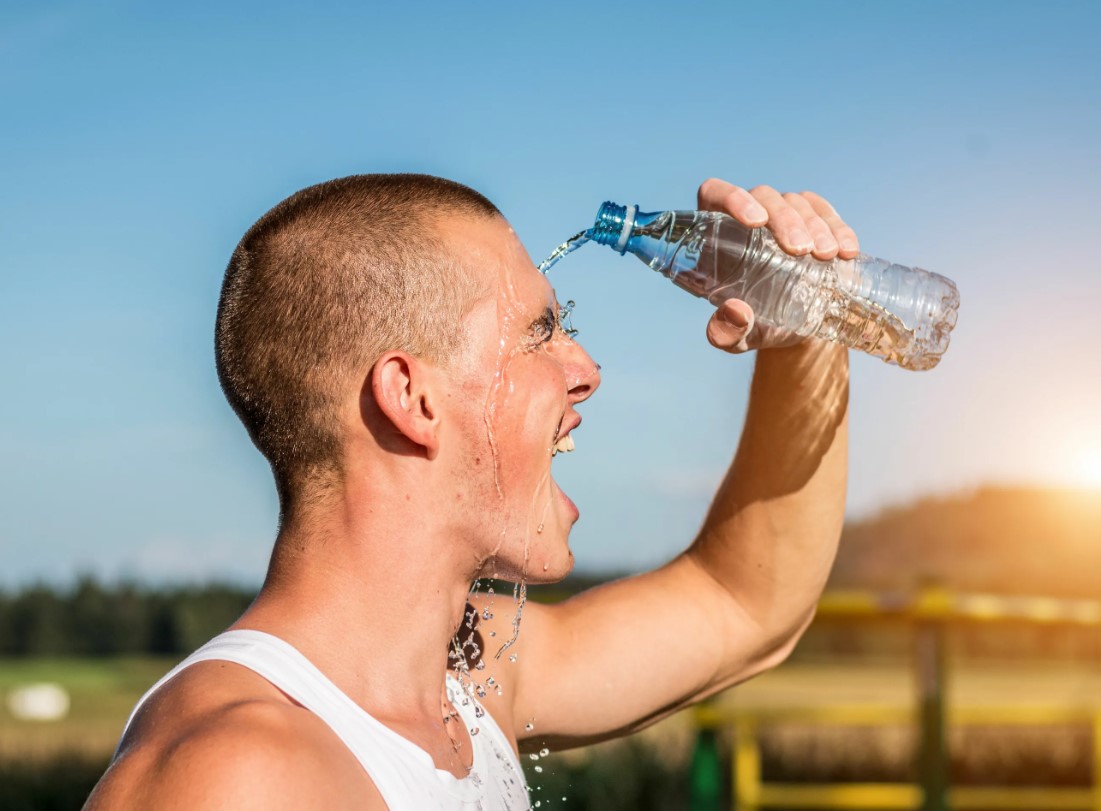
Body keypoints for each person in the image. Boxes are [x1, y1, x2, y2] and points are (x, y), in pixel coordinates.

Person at [84, 174, 854, 809]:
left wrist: (805, 324)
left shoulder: (469, 674)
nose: (585, 370)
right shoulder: (235, 775)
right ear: (412, 399)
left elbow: (744, 603)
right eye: (540, 331)